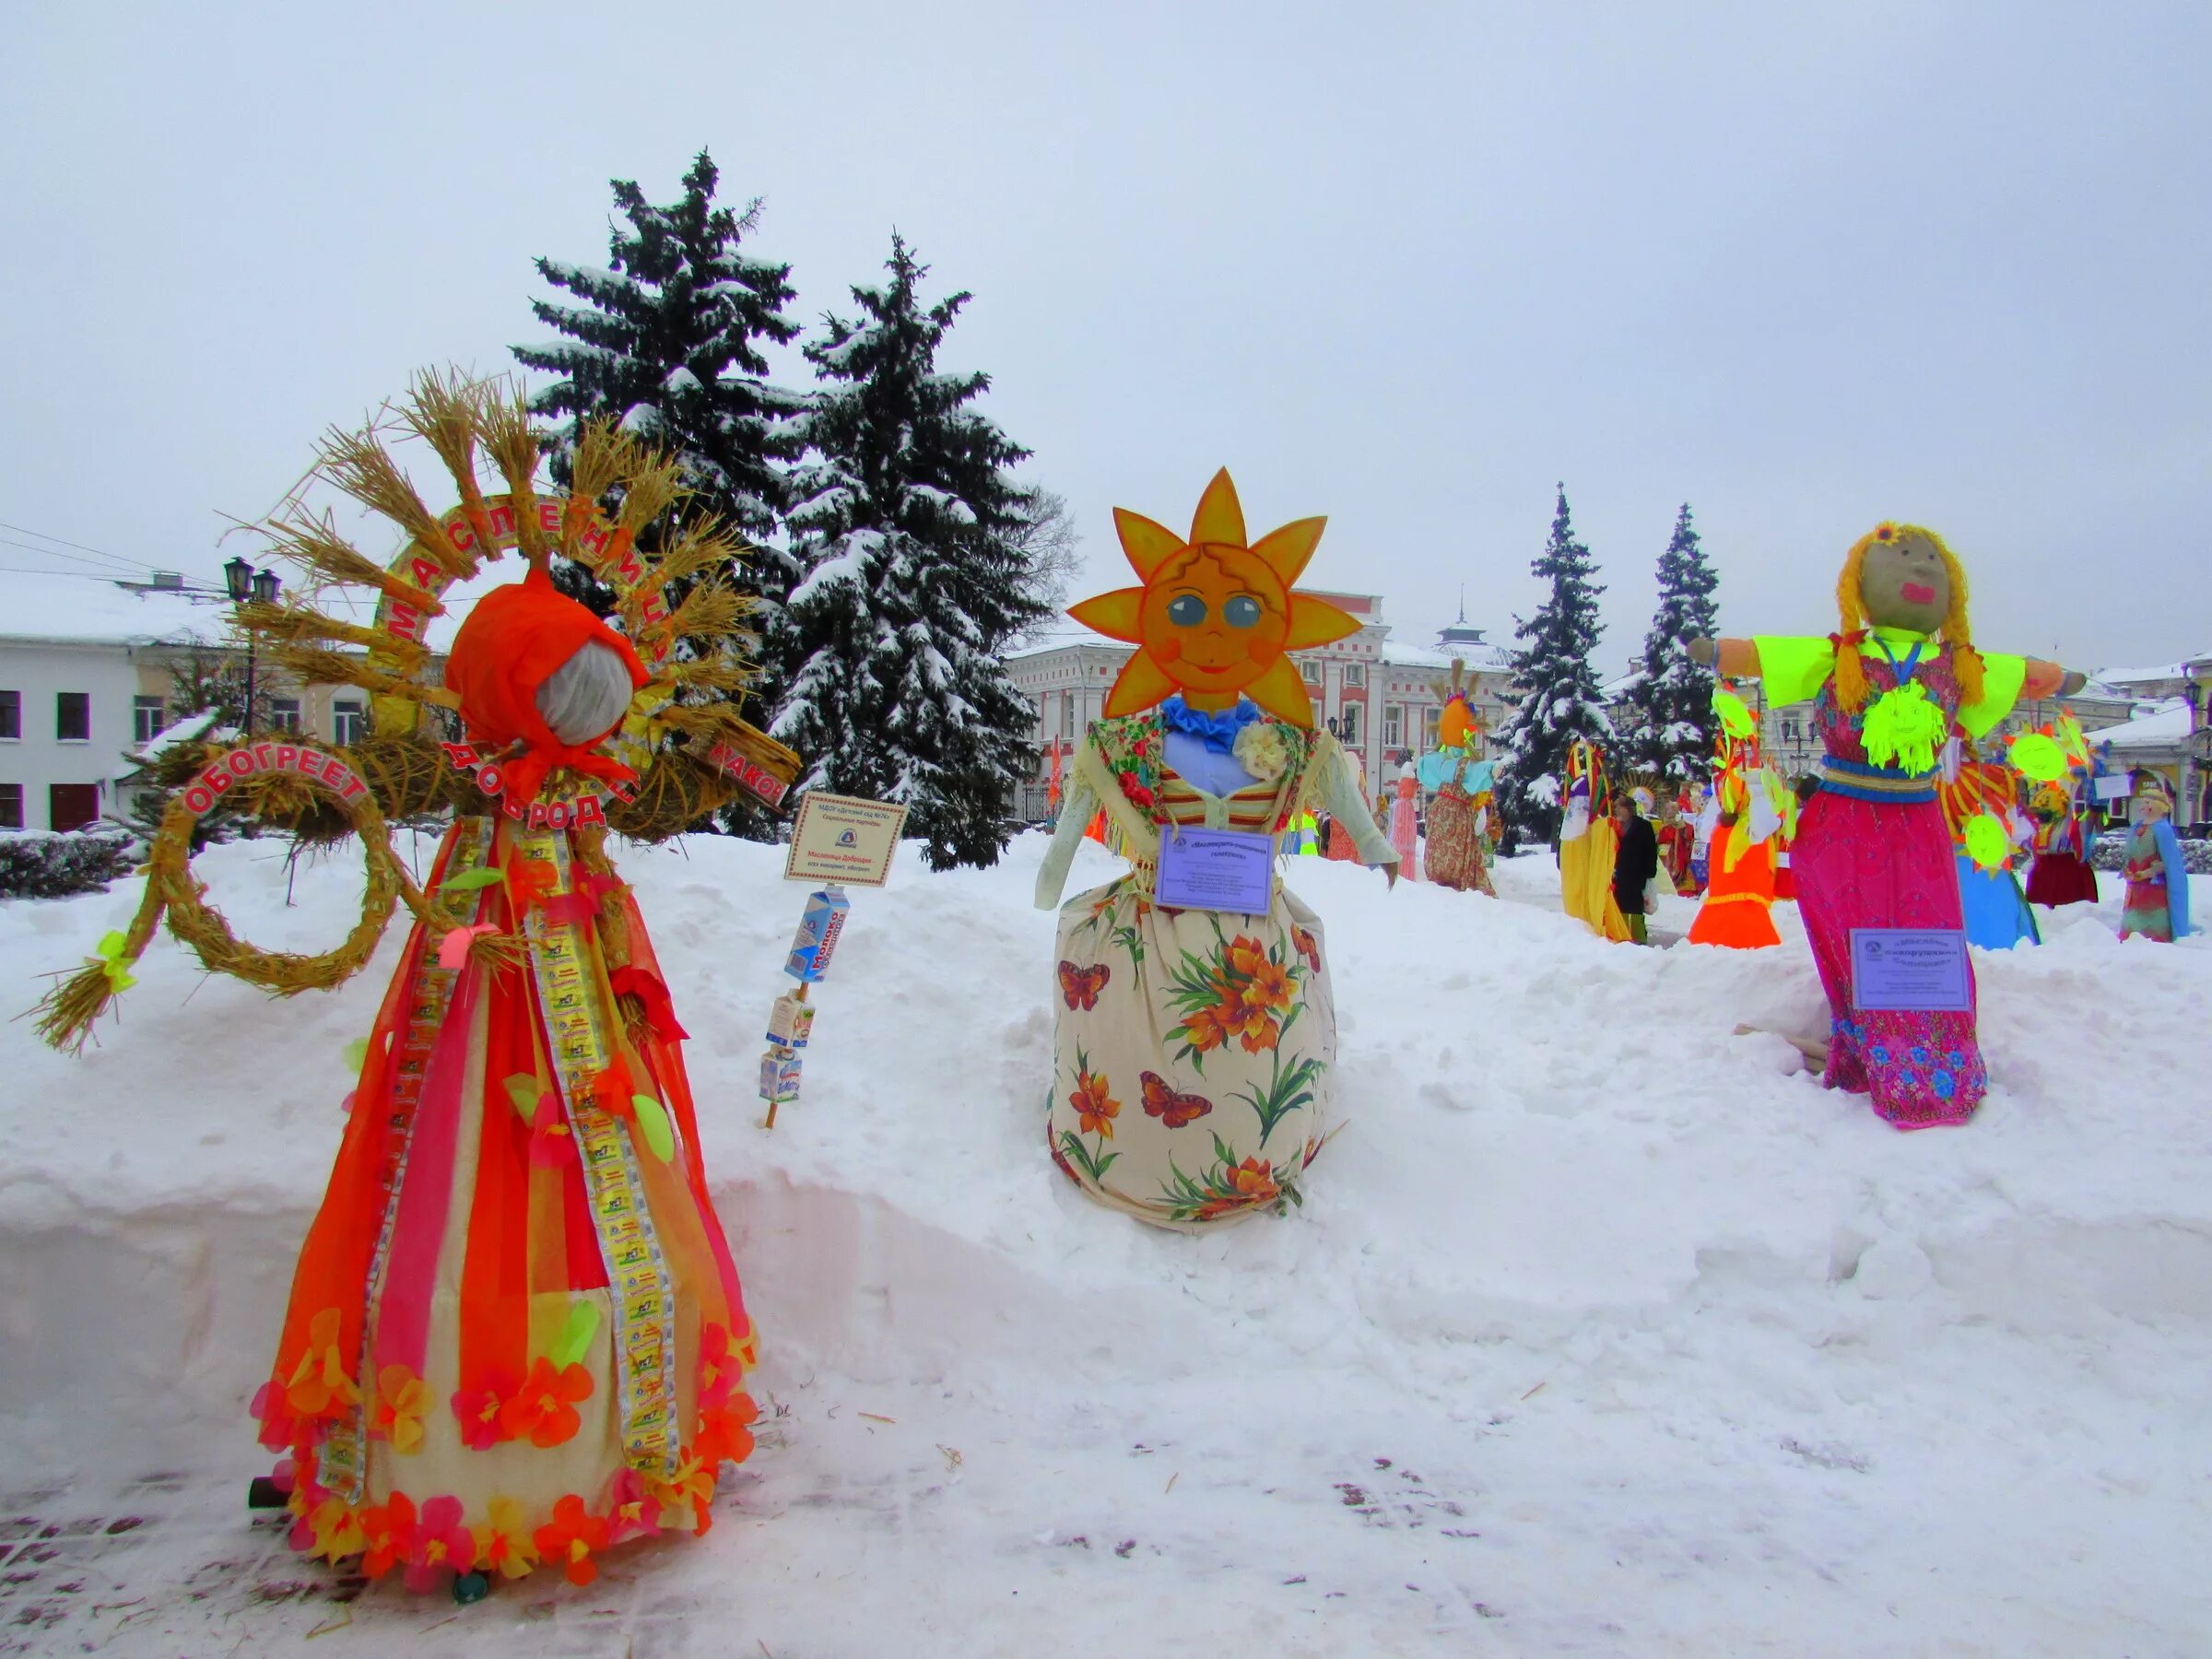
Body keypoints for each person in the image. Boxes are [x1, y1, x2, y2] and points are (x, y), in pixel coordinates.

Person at [1038, 470, 1397, 1229]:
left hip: (1252, 929)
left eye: (1239, 613)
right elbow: (1077, 808)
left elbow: (1338, 786)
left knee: (1255, 1053)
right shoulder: (1130, 740)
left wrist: (1371, 841)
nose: (1211, 635)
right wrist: (1053, 868)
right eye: (1189, 612)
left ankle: (1249, 1152)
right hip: (1147, 918)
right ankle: (1131, 1148)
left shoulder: (1285, 743)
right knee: (1134, 1035)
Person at [1690, 521, 2082, 1129]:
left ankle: (1935, 1057)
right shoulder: (1840, 653)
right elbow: (1764, 656)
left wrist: (2056, 680)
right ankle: (1868, 1044)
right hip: (1845, 816)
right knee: (1858, 933)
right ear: (1861, 586)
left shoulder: (1960, 662)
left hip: (1918, 819)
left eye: (1930, 560)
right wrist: (1720, 653)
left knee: (1927, 931)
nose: (1919, 570)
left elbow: (2024, 675)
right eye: (1902, 559)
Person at [1559, 741, 1633, 941]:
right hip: (1585, 843)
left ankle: (1592, 918)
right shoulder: (1583, 826)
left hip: (1593, 846)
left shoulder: (1595, 825)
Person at [2120, 776, 2193, 940]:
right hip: (2135, 886)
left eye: (2148, 802)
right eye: (2143, 802)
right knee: (2133, 920)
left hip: (2154, 888)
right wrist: (2127, 870)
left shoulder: (2162, 829)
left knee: (2152, 922)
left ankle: (2156, 939)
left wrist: (2148, 872)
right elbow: (2131, 853)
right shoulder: (2136, 828)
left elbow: (2167, 862)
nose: (2143, 805)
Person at [2024, 782, 2100, 907]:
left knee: (2067, 912)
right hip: (2042, 874)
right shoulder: (2037, 828)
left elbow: (2078, 838)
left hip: (2064, 873)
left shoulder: (2069, 826)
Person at [1610, 789, 1660, 943]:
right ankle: (1622, 934)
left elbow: (1651, 849)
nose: (1616, 810)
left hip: (1638, 872)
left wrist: (1650, 871)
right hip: (1620, 872)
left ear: (1628, 809)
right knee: (1620, 903)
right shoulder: (1614, 826)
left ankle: (1639, 936)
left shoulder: (1643, 826)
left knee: (1636, 905)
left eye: (1619, 807)